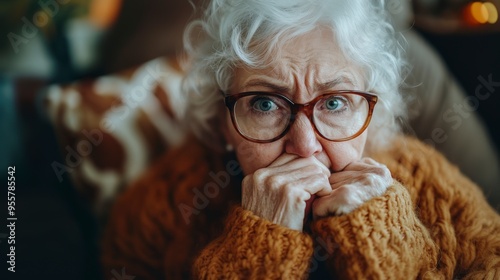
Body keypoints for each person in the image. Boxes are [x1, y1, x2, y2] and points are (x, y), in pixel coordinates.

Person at [101, 0, 500, 279]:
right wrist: (258, 249)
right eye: (264, 104)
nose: (305, 146)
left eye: (336, 102)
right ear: (220, 120)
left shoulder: (435, 189)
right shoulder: (163, 211)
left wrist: (382, 239)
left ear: (372, 111)